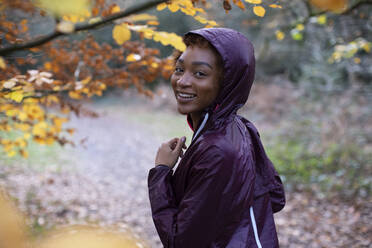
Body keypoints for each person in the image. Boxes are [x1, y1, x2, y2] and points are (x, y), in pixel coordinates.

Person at [148, 28, 285, 248]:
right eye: (179, 69)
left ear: (227, 83)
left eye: (200, 73)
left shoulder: (217, 150)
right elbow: (274, 197)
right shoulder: (239, 127)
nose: (182, 81)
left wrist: (162, 172)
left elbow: (180, 243)